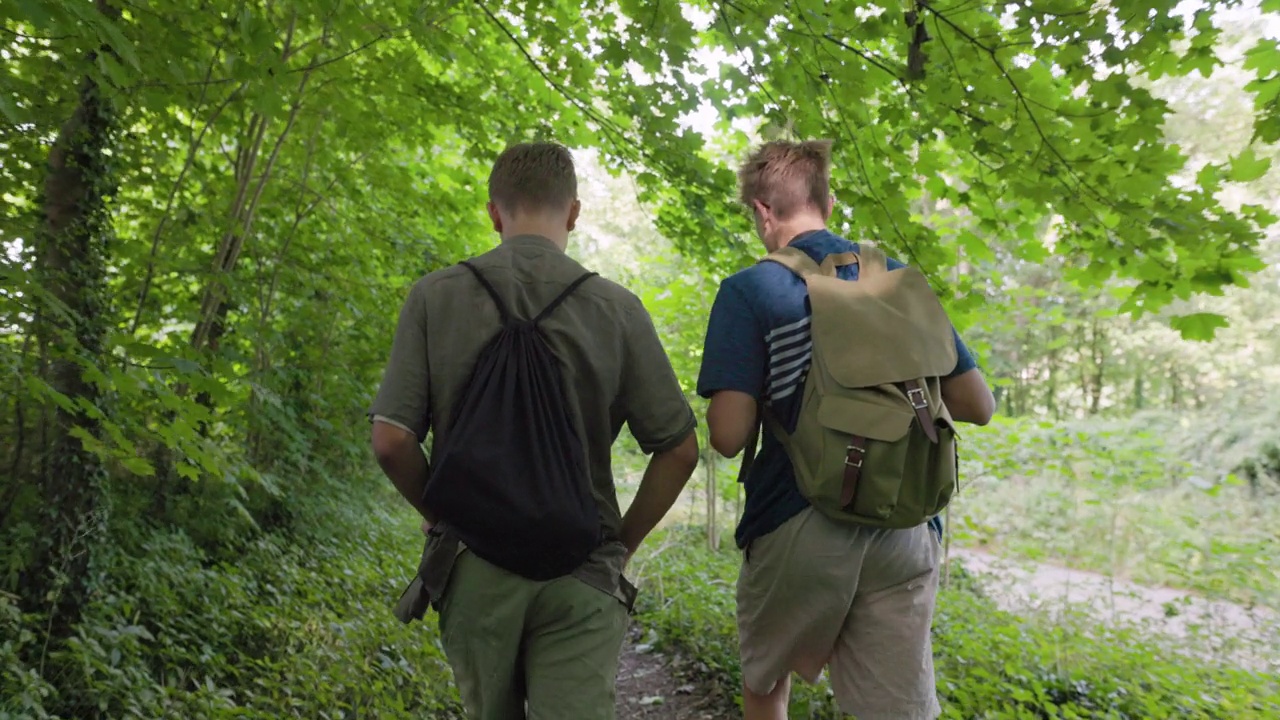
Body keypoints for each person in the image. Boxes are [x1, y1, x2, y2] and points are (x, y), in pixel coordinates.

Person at [368, 142, 699, 720]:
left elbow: (392, 440)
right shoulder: (617, 309)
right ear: (573, 212)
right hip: (582, 567)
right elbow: (678, 448)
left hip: (473, 566)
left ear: (493, 212)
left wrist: (443, 513)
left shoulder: (434, 297)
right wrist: (621, 543)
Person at [696, 139, 995, 720]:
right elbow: (977, 404)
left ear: (761, 212)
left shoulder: (750, 290)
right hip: (907, 523)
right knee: (898, 709)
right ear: (828, 203)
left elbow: (728, 437)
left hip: (797, 517)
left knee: (767, 680)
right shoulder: (900, 281)